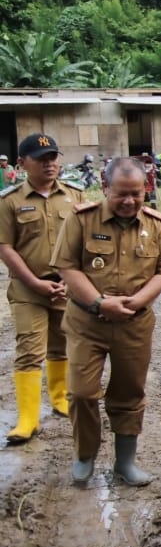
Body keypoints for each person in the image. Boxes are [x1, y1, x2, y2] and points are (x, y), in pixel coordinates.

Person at [50, 156, 161, 485]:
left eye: (137, 193)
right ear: (106, 188)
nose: (130, 201)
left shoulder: (154, 224)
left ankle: (125, 462)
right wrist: (99, 302)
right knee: (81, 392)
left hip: (134, 325)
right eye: (122, 194)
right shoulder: (81, 221)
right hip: (86, 323)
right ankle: (85, 454)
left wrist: (139, 300)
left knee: (129, 393)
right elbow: (67, 267)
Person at [0, 133, 85, 444]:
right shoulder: (10, 201)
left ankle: (60, 398)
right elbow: (5, 247)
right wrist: (35, 282)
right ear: (23, 164)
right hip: (27, 289)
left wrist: (69, 281)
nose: (50, 164)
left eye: (53, 157)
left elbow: (83, 240)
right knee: (29, 350)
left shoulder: (75, 196)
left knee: (62, 344)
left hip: (66, 287)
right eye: (42, 159)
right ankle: (27, 419)